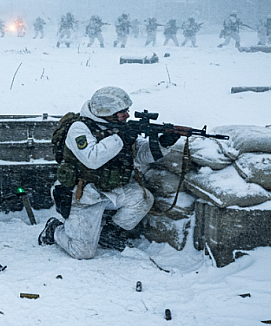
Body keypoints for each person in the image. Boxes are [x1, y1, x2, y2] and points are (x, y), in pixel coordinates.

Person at [38, 87, 181, 260]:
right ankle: (54, 229)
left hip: (111, 190)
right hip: (82, 196)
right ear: (107, 112)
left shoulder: (117, 127)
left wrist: (163, 143)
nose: (127, 116)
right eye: (122, 112)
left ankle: (109, 234)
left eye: (126, 111)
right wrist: (121, 138)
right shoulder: (79, 128)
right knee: (82, 252)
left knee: (143, 198)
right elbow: (92, 158)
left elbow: (142, 154)